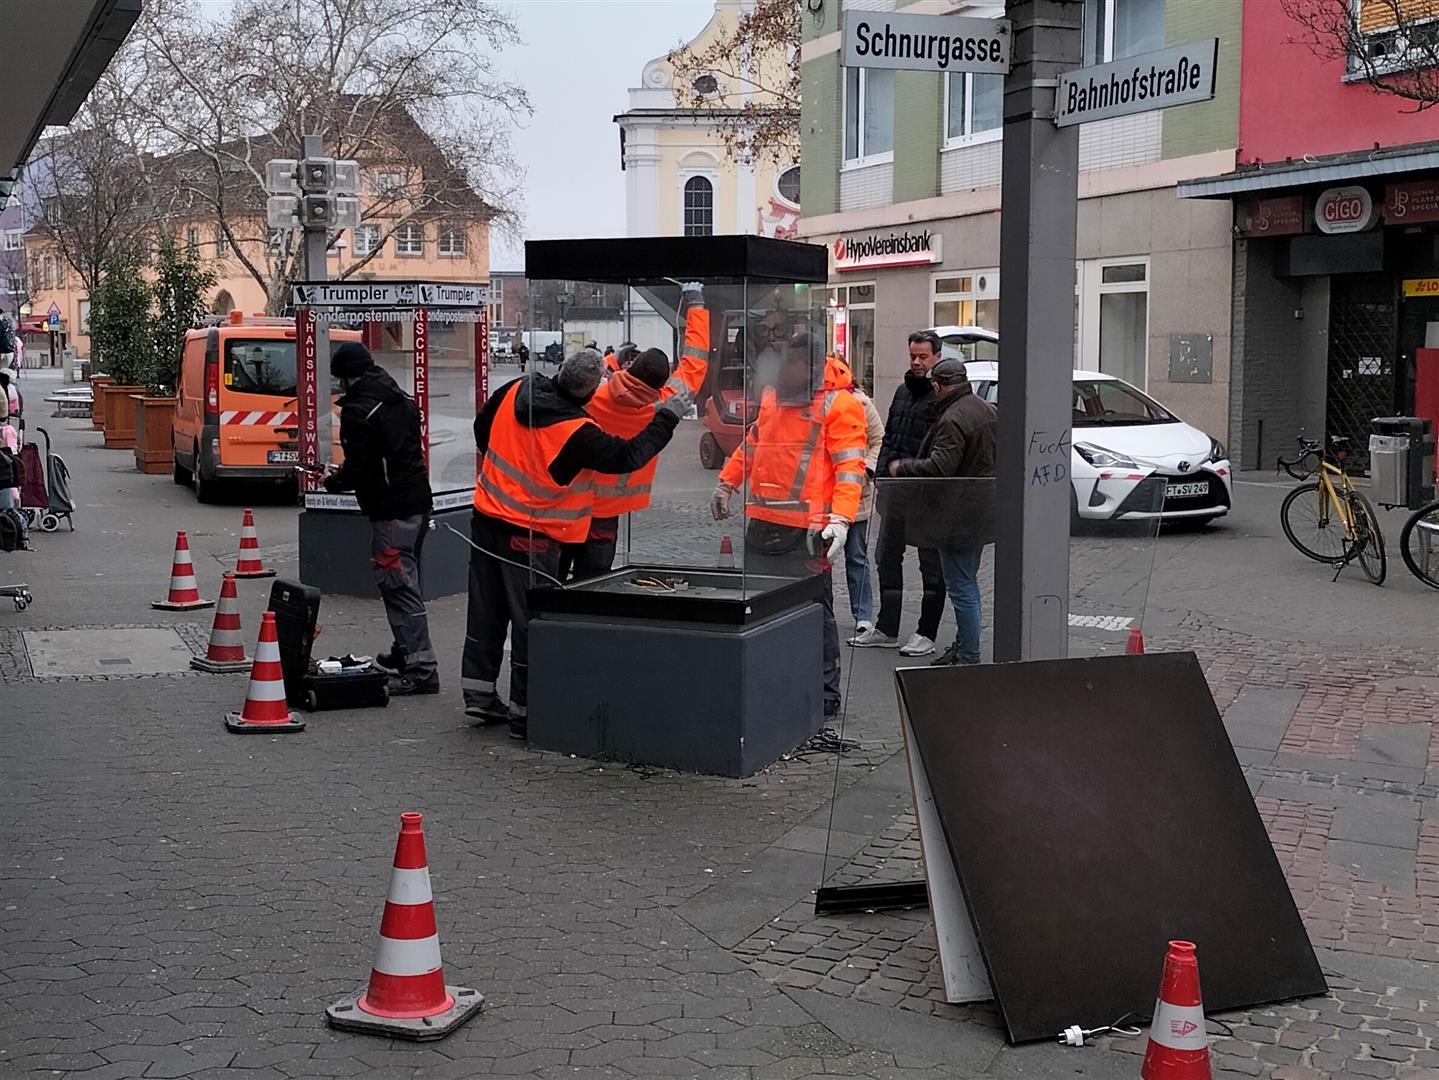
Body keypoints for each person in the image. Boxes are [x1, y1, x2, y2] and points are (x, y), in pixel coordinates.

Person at [465, 348, 692, 739]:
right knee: (531, 622)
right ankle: (526, 713)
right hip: (530, 535)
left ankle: (479, 694)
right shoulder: (576, 431)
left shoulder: (516, 389)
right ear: (588, 393)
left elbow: (481, 429)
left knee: (486, 610)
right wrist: (667, 417)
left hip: (486, 517)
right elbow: (628, 456)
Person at [711, 331, 867, 718]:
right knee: (762, 608)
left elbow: (850, 468)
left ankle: (825, 691)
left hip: (808, 529)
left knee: (815, 611)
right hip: (764, 520)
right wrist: (727, 482)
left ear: (812, 367)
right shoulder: (774, 398)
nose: (783, 368)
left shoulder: (840, 404)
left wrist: (841, 519)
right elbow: (753, 444)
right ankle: (774, 681)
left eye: (791, 362)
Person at [565, 285, 711, 579]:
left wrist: (611, 362)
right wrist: (696, 304)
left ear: (630, 367)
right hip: (607, 513)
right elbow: (695, 360)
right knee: (593, 585)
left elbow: (582, 379)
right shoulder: (665, 406)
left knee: (552, 584)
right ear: (662, 383)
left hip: (567, 506)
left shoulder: (594, 396)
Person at [322, 342, 438, 695]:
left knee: (399, 587)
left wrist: (334, 481)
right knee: (406, 580)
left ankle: (421, 670)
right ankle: (405, 652)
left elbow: (359, 468)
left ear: (347, 377)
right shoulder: (399, 397)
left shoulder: (360, 411)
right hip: (417, 503)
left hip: (391, 511)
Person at [887, 356, 997, 666]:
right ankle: (963, 646)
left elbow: (940, 467)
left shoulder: (953, 418)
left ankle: (969, 655)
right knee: (967, 581)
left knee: (961, 586)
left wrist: (903, 467)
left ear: (938, 386)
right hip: (980, 508)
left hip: (959, 513)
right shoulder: (985, 408)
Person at [850, 330, 947, 657]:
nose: (917, 362)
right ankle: (887, 627)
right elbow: (889, 436)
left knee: (930, 566)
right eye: (913, 356)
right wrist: (882, 472)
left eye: (923, 357)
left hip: (925, 492)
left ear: (937, 357)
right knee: (886, 557)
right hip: (896, 491)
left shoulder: (940, 396)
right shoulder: (902, 391)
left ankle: (926, 632)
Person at [843, 381, 885, 634]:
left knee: (856, 556)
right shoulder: (813, 402)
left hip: (855, 493)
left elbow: (879, 439)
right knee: (818, 562)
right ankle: (819, 611)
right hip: (821, 497)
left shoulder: (861, 403)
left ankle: (863, 614)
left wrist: (867, 469)